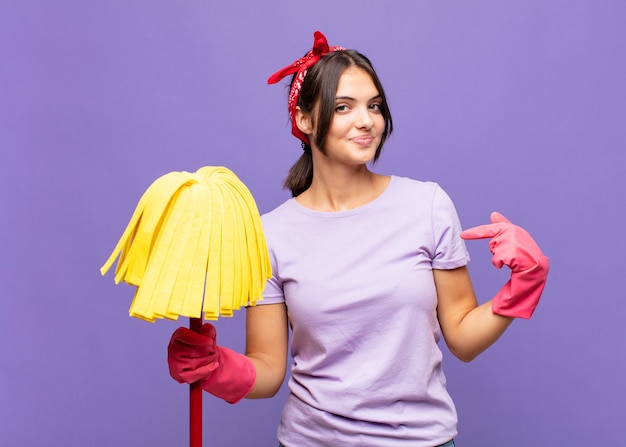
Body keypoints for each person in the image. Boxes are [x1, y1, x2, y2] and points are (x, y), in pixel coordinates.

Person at [167, 31, 549, 447]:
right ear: (304, 120)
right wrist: (216, 367)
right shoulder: (269, 234)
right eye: (343, 107)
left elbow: (461, 335)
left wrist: (522, 287)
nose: (366, 121)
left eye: (374, 106)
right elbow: (269, 369)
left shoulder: (427, 205)